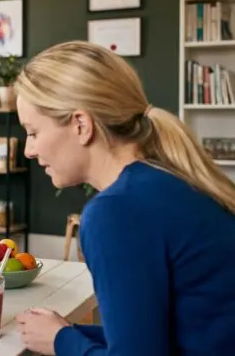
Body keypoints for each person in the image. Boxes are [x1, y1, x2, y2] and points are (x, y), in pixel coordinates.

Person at [12, 40, 235, 355]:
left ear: (80, 125)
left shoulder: (116, 213)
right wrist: (68, 333)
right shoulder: (169, 179)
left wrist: (63, 342)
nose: (28, 150)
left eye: (33, 132)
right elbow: (162, 335)